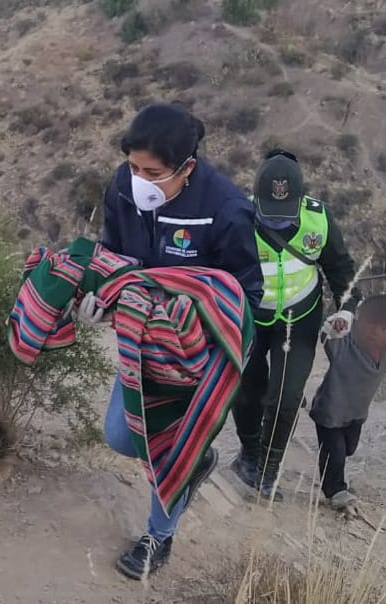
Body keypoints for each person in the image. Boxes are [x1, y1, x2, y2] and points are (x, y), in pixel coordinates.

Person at [92, 102, 264, 579]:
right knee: (121, 435)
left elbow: (246, 291)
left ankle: (157, 538)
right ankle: (199, 459)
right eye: (133, 167)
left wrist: (191, 314)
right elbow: (112, 253)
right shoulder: (123, 189)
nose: (140, 179)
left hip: (196, 351)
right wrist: (98, 295)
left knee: (168, 445)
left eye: (154, 172)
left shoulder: (224, 210)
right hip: (139, 340)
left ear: (186, 167)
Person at [231, 149, 356, 501]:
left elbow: (341, 269)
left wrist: (346, 309)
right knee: (246, 390)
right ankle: (249, 455)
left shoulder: (319, 219)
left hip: (298, 316)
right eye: (269, 215)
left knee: (286, 397)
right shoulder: (237, 217)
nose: (277, 222)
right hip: (249, 316)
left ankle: (269, 470)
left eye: (285, 216)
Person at [310, 295, 386, 512]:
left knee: (348, 449)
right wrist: (335, 326)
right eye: (370, 324)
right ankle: (336, 491)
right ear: (358, 323)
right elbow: (328, 335)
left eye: (385, 329)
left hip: (356, 415)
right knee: (335, 450)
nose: (374, 332)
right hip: (329, 412)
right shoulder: (344, 345)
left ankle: (332, 465)